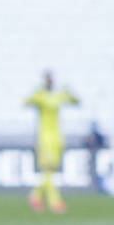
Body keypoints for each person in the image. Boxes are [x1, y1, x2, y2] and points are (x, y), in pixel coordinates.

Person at [24, 70, 79, 214]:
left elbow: (76, 101)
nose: (50, 81)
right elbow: (26, 102)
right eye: (48, 79)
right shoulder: (41, 96)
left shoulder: (58, 96)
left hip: (57, 138)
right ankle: (55, 202)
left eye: (51, 79)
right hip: (45, 139)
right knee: (48, 170)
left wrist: (70, 91)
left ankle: (35, 196)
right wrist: (35, 93)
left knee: (50, 171)